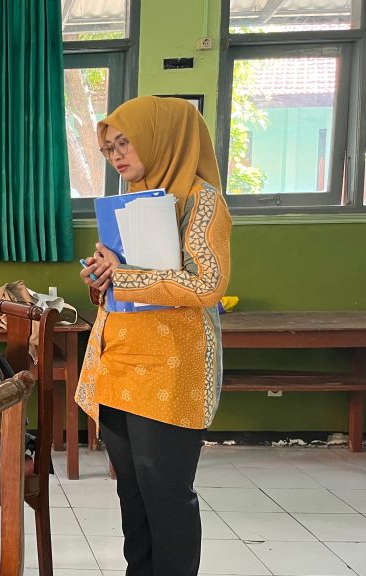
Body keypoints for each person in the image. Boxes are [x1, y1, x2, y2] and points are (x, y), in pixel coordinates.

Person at [76, 96, 232, 576]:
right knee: (133, 492)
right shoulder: (132, 200)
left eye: (125, 143)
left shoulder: (201, 201)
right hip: (119, 362)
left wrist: (124, 275)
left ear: (160, 138)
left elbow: (208, 284)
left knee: (165, 494)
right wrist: (102, 278)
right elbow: (124, 281)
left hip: (170, 369)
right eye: (109, 149)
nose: (117, 156)